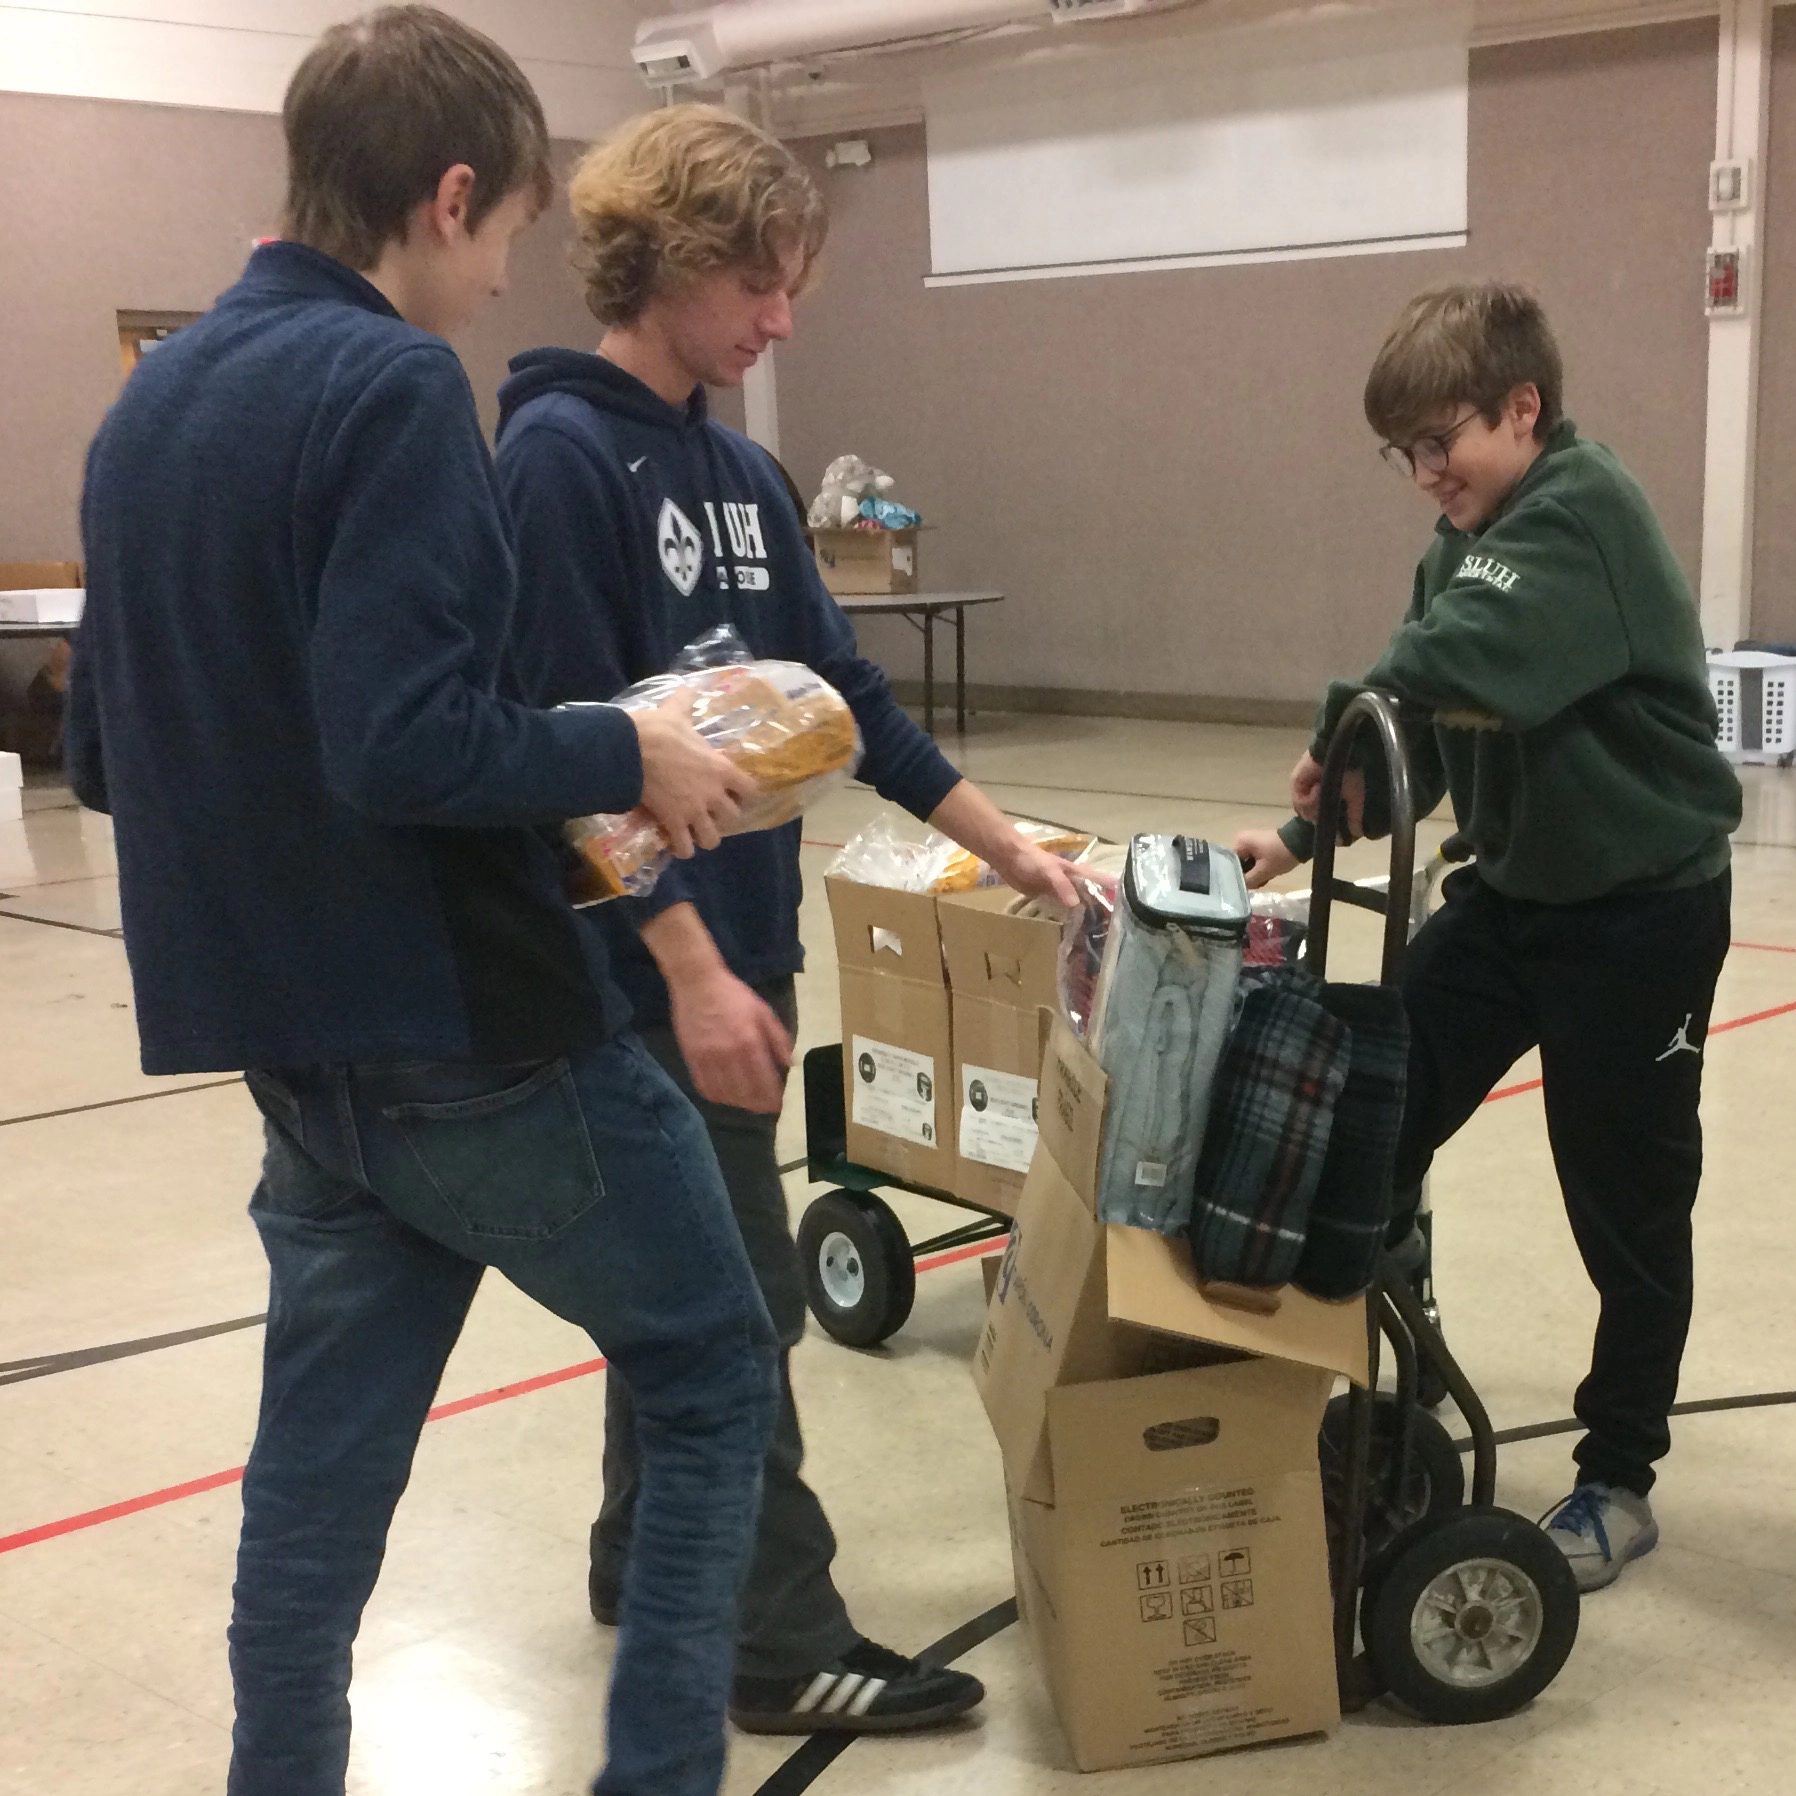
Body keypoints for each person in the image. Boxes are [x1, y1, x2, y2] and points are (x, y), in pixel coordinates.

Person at [65, 14, 783, 1796]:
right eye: (507, 234)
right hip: (473, 1034)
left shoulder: (146, 404)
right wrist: (627, 747)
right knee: (708, 1372)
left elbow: (99, 755)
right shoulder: (388, 386)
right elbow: (407, 743)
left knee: (314, 1499)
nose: (498, 276)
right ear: (446, 198)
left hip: (296, 1057)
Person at [494, 104, 1081, 1734]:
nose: (781, 319)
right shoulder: (554, 460)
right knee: (740, 1310)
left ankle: (643, 1550)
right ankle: (770, 1636)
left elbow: (853, 706)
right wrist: (680, 967)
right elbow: (563, 749)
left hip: (741, 956)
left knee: (684, 1287)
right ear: (666, 259)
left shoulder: (745, 473)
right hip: (634, 985)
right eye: (755, 280)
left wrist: (1006, 847)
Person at [1234, 282, 1741, 1593]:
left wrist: (1353, 708)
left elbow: (1456, 658)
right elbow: (1436, 733)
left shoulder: (1581, 515)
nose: (1423, 476)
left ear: (1523, 408)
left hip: (1640, 916)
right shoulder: (1470, 532)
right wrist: (1294, 846)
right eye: (1401, 454)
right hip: (1514, 899)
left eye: (1439, 442)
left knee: (1625, 1197)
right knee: (1370, 1100)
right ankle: (1393, 1357)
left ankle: (1618, 1477)